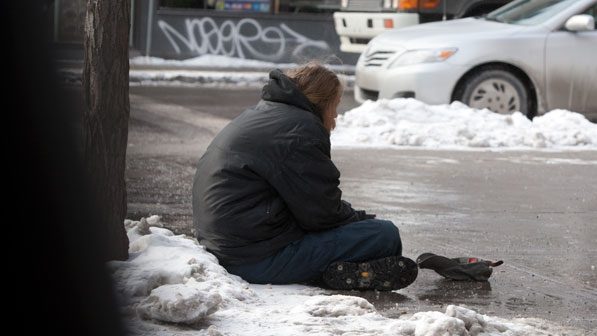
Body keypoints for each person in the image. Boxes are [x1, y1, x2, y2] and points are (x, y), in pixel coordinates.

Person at [192, 62, 417, 290]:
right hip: (253, 259)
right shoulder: (300, 130)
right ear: (324, 102)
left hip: (225, 246)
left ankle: (335, 272)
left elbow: (309, 202)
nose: (336, 117)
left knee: (363, 232)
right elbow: (322, 213)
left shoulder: (266, 113)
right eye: (335, 106)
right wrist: (362, 220)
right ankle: (331, 273)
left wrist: (354, 219)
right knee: (384, 235)